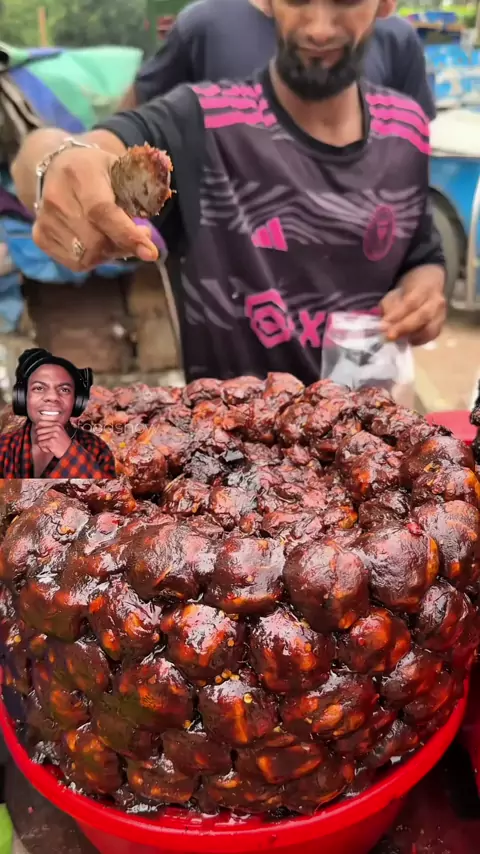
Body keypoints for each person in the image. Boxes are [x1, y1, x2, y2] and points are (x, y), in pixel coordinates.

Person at [12, 0, 446, 387]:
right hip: (228, 441)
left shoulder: (406, 128)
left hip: (369, 437)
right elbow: (77, 149)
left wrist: (422, 294)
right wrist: (59, 165)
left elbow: (421, 254)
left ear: (385, 3)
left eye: (345, 0)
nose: (318, 27)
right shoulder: (200, 122)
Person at [124, 0, 436, 118]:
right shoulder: (205, 27)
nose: (319, 32)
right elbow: (132, 121)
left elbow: (412, 161)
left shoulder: (398, 42)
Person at [0, 348, 116, 478]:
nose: (52, 397)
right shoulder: (3, 448)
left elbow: (107, 490)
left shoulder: (97, 449)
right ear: (22, 397)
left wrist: (70, 453)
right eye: (39, 388)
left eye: (64, 390)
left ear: (77, 400)